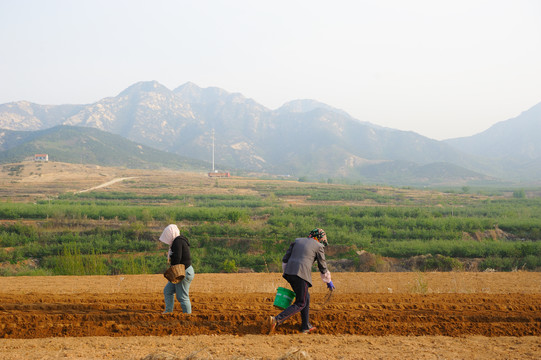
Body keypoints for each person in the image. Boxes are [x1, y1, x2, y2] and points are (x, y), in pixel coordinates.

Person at [268, 228, 335, 334]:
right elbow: (322, 266)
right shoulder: (318, 246)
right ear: (318, 238)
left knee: (305, 297)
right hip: (301, 275)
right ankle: (277, 319)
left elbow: (285, 259)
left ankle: (305, 326)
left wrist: (288, 273)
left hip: (289, 273)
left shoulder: (297, 241)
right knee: (301, 302)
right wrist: (328, 281)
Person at [159, 224, 195, 314]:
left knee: (182, 296)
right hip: (184, 271)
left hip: (184, 273)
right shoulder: (179, 240)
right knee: (168, 290)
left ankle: (187, 316)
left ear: (170, 234)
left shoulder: (177, 242)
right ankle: (168, 312)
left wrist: (172, 266)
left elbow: (177, 258)